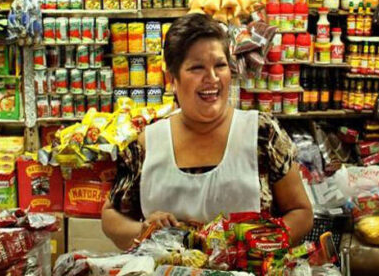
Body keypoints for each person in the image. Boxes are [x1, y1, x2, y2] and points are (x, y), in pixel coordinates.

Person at [102, 13, 313, 250]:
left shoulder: (262, 135)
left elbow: (301, 212)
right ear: (172, 78)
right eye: (197, 68)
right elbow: (111, 217)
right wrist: (144, 231)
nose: (212, 78)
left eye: (220, 65)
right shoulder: (146, 144)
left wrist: (258, 243)